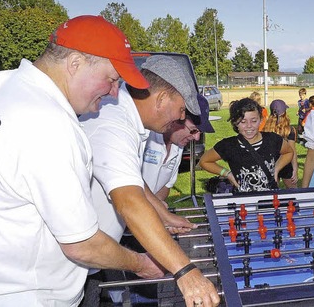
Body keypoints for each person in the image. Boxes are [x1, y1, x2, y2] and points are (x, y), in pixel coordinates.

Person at [0, 15, 164, 306]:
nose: (112, 92)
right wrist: (141, 263)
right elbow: (82, 245)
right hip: (28, 296)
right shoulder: (48, 124)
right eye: (111, 80)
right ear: (74, 64)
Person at [79, 55, 220, 307]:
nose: (179, 118)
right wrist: (185, 271)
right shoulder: (112, 122)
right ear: (162, 98)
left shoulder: (127, 118)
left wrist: (164, 215)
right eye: (181, 110)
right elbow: (130, 202)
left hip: (89, 256)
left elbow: (132, 179)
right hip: (59, 268)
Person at [199, 97, 293, 192]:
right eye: (243, 122)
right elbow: (204, 161)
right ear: (235, 123)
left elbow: (288, 152)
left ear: (261, 120)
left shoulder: (273, 139)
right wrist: (227, 174)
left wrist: (276, 169)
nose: (249, 126)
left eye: (254, 121)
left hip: (270, 199)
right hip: (243, 202)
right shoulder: (228, 145)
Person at [143, 94, 215, 202]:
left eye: (200, 132)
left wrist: (158, 210)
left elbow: (165, 186)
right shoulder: (145, 137)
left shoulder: (178, 147)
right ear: (176, 118)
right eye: (193, 130)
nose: (197, 138)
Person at [263, 99, 299, 188]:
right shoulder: (289, 130)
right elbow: (292, 150)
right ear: (284, 113)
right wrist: (295, 168)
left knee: (273, 194)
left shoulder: (265, 130)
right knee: (294, 193)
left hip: (270, 164)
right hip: (286, 164)